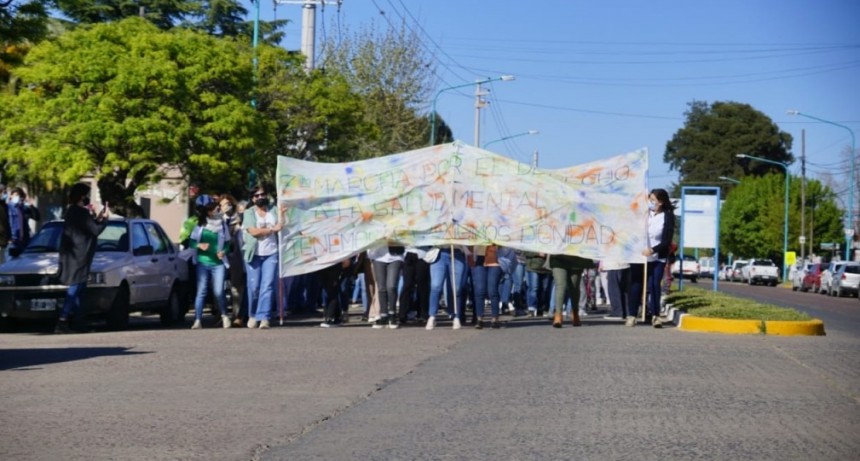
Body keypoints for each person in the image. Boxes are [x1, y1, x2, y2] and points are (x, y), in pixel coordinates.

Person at [55, 183, 109, 333]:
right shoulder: (80, 212)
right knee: (75, 287)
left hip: (75, 254)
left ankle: (79, 321)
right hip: (81, 255)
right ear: (82, 196)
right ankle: (63, 320)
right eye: (86, 195)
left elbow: (89, 227)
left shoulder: (71, 211)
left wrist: (95, 218)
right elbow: (96, 230)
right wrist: (104, 219)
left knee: (80, 290)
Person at [242, 186, 283, 329]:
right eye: (257, 195)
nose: (260, 197)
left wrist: (283, 216)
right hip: (254, 254)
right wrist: (271, 230)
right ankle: (253, 314)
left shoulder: (274, 211)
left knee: (268, 286)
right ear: (253, 198)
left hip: (271, 253)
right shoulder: (249, 213)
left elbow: (282, 225)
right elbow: (253, 231)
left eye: (263, 194)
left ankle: (264, 317)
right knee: (254, 287)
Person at [189, 195, 232, 330]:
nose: (216, 210)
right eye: (213, 208)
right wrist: (199, 246)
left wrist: (224, 251)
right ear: (208, 212)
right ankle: (197, 319)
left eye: (216, 207)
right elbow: (191, 242)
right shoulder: (200, 225)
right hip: (203, 262)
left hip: (218, 263)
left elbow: (228, 242)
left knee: (219, 291)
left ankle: (225, 315)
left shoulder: (222, 225)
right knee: (201, 291)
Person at [639, 188, 676, 328]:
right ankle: (645, 311)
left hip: (658, 255)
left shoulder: (667, 216)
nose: (650, 202)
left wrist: (653, 250)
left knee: (655, 284)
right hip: (644, 255)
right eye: (650, 199)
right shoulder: (646, 214)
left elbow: (667, 240)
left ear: (660, 202)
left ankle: (656, 315)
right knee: (646, 285)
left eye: (653, 200)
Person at [548, 254, 592, 328]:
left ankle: (575, 313)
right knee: (560, 285)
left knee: (574, 288)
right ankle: (558, 315)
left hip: (576, 259)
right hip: (558, 258)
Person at [368, 242, 405, 329]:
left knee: (391, 286)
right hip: (378, 256)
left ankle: (392, 315)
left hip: (395, 256)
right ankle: (383, 315)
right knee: (381, 288)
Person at [471, 244, 503, 329]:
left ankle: (495, 318)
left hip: (494, 259)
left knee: (492, 290)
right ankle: (479, 319)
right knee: (479, 290)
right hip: (480, 259)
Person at [7, 187, 30, 259]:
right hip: (13, 240)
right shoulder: (8, 207)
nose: (18, 197)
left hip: (23, 240)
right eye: (16, 195)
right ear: (11, 196)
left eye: (19, 195)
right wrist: (9, 237)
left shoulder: (21, 208)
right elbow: (8, 223)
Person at [0, 185, 10, 265]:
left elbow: (6, 223)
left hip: (3, 240)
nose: (5, 194)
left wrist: (8, 236)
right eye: (3, 192)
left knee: (2, 265)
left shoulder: (4, 206)